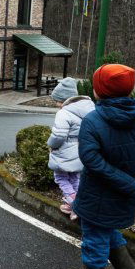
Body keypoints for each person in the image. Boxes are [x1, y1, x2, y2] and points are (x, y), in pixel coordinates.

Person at [68, 64, 135, 269]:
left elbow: (90, 158)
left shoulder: (92, 120)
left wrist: (126, 182)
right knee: (108, 230)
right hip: (125, 197)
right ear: (130, 89)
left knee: (94, 242)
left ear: (98, 91)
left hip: (96, 197)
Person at [46, 77, 95, 220]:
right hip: (82, 150)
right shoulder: (89, 108)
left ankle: (75, 205)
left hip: (64, 151)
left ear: (63, 99)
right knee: (75, 177)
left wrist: (51, 144)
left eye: (57, 101)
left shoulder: (64, 113)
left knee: (60, 177)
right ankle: (72, 204)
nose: (56, 104)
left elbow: (59, 135)